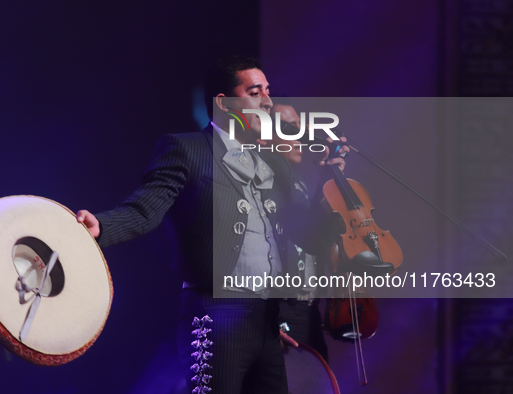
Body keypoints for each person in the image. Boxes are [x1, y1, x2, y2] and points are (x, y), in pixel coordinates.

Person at [76, 56, 347, 394]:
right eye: (254, 92)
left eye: (268, 91)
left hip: (269, 322)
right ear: (224, 103)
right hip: (214, 316)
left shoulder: (274, 166)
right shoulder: (188, 149)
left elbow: (309, 238)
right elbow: (146, 210)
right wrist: (101, 225)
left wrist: (330, 187)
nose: (267, 101)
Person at [268, 98, 348, 362]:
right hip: (279, 311)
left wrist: (328, 178)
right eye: (289, 128)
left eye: (299, 128)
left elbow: (317, 241)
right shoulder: (262, 185)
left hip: (308, 310)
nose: (299, 137)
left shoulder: (299, 184)